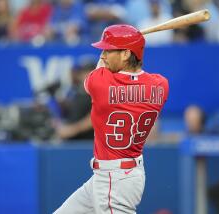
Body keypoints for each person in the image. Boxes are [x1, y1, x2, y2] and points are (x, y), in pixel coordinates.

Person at [54, 24, 169, 213]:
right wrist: (129, 45)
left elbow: (97, 73)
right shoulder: (160, 84)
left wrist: (126, 43)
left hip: (114, 178)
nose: (104, 55)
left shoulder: (101, 83)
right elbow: (136, 79)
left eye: (108, 50)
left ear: (125, 54)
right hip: (120, 175)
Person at [55, 56, 95, 140]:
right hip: (72, 141)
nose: (86, 75)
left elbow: (96, 116)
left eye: (90, 71)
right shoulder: (76, 91)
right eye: (83, 72)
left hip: (87, 142)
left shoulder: (99, 92)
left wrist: (72, 130)